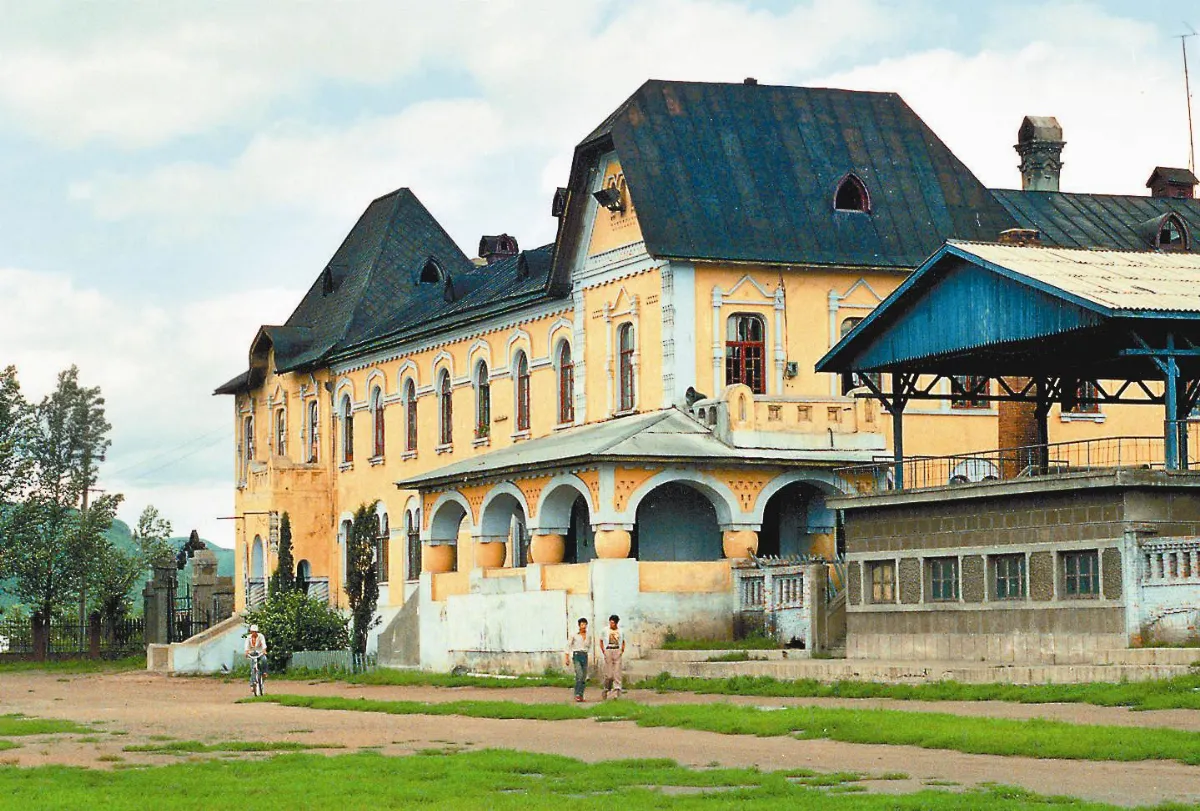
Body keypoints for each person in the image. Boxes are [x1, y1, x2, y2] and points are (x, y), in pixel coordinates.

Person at [563, 617, 590, 702]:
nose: (583, 626)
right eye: (582, 624)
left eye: (585, 624)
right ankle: (577, 694)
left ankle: (581, 695)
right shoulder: (574, 635)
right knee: (579, 674)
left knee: (583, 677)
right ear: (579, 625)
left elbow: (589, 646)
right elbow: (568, 646)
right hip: (577, 655)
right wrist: (567, 658)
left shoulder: (588, 635)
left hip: (584, 655)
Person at [600, 614, 625, 700]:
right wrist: (604, 650)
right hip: (608, 650)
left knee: (617, 672)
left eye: (613, 623)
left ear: (616, 623)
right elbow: (601, 640)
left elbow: (623, 641)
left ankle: (616, 692)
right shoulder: (605, 630)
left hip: (617, 650)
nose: (611, 624)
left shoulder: (621, 631)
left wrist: (621, 650)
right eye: (610, 622)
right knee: (609, 674)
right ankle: (606, 688)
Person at [244, 623, 268, 691]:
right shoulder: (248, 637)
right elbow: (246, 646)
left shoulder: (261, 636)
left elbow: (264, 644)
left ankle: (264, 672)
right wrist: (246, 652)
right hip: (252, 653)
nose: (254, 633)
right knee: (253, 668)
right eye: (253, 631)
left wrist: (264, 650)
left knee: (264, 659)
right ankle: (252, 684)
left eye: (255, 632)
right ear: (251, 632)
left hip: (260, 652)